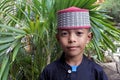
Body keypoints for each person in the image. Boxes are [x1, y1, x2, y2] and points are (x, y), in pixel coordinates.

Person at [39, 6, 108, 80]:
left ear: (88, 37)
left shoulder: (97, 72)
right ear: (58, 38)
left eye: (79, 33)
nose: (72, 39)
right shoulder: (49, 72)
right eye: (65, 33)